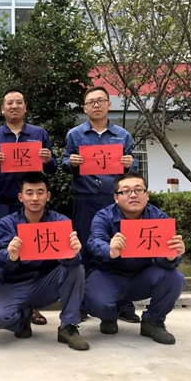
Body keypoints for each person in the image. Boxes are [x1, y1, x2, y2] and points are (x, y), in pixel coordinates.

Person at [0, 88, 57, 326]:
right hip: (4, 201)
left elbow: (53, 167)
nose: (14, 106)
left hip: (33, 204)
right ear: (2, 109)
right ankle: (7, 299)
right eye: (9, 103)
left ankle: (33, 305)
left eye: (18, 102)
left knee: (36, 250)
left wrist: (47, 160)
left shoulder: (38, 134)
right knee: (7, 251)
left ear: (25, 107)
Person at [0, 172, 90, 351]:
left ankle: (68, 326)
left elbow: (72, 262)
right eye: (29, 193)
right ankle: (22, 317)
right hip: (16, 284)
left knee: (76, 268)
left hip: (46, 283)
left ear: (48, 196)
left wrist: (74, 253)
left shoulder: (60, 222)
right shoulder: (6, 223)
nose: (35, 198)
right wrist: (11, 255)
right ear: (20, 197)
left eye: (40, 192)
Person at [62, 86, 139, 322]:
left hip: (114, 202)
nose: (96, 105)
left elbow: (133, 168)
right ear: (85, 108)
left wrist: (130, 163)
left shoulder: (122, 135)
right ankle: (83, 302)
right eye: (91, 102)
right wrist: (71, 162)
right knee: (84, 250)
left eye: (100, 101)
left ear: (108, 104)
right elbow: (63, 162)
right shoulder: (75, 135)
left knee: (121, 247)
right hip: (85, 199)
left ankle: (124, 304)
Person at [85, 174, 185, 344]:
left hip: (142, 275)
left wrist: (171, 257)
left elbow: (169, 254)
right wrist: (110, 250)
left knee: (174, 277)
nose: (133, 195)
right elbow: (94, 241)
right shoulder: (104, 216)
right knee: (96, 302)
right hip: (109, 274)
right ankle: (109, 316)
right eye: (126, 191)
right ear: (116, 198)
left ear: (147, 195)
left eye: (139, 190)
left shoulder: (159, 218)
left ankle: (153, 321)